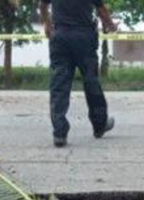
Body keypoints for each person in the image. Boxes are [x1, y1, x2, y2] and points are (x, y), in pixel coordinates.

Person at [40, 0, 117, 147]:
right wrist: (111, 26)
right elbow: (101, 10)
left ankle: (59, 133)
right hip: (84, 39)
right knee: (91, 83)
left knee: (59, 84)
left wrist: (48, 25)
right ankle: (100, 125)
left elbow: (43, 5)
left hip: (60, 37)